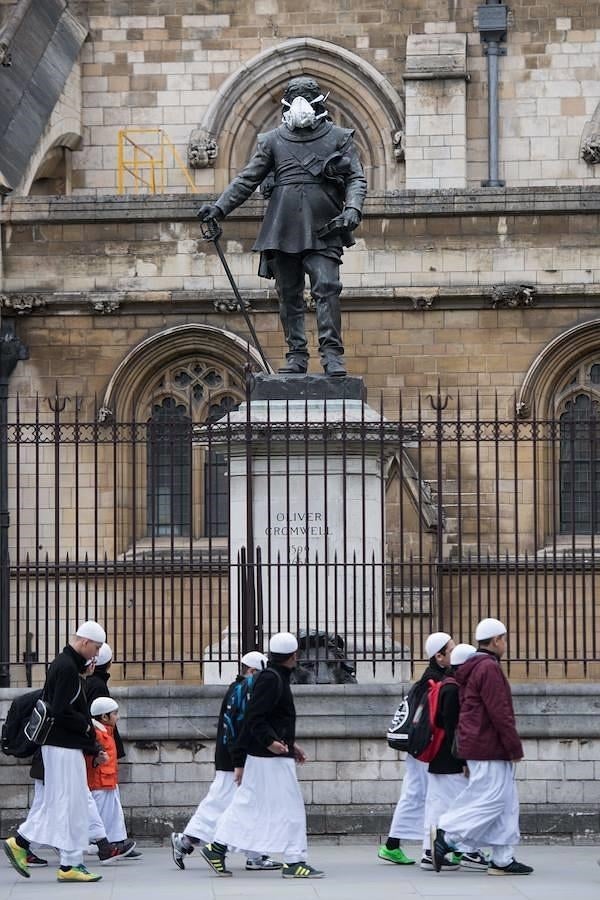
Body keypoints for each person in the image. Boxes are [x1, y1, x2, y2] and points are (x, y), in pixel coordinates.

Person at [198, 75, 367, 376]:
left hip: (324, 224)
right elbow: (247, 179)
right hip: (283, 225)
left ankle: (332, 354)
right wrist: (220, 207)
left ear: (318, 104)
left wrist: (353, 207)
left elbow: (356, 177)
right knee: (288, 292)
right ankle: (296, 355)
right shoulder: (271, 141)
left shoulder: (339, 137)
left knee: (327, 286)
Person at [198, 632, 324, 879]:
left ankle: (217, 847)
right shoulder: (272, 679)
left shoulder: (273, 677)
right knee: (291, 808)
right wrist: (271, 743)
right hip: (270, 758)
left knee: (249, 805)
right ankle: (294, 861)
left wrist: (289, 744)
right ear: (294, 656)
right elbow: (254, 718)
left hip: (267, 756)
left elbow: (264, 719)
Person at [3, 621, 107, 883]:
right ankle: (22, 842)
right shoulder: (66, 667)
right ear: (84, 642)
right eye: (95, 648)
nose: (96, 654)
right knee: (63, 802)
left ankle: (70, 863)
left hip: (62, 745)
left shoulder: (68, 666)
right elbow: (61, 711)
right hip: (62, 746)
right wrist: (86, 727)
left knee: (71, 804)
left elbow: (66, 704)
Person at [432, 618, 533, 876]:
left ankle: (502, 858)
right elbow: (500, 712)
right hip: (489, 746)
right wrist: (513, 747)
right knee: (491, 799)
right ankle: (448, 834)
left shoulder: (476, 666)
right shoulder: (488, 668)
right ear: (497, 640)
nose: (505, 644)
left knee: (506, 802)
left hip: (482, 744)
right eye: (504, 639)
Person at [170, 650, 281, 872]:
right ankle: (186, 840)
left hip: (233, 755)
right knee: (223, 802)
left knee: (243, 803)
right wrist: (239, 758)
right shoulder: (243, 691)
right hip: (235, 757)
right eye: (261, 674)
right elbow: (238, 726)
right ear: (251, 671)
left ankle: (254, 854)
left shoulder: (238, 689)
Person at [378, 631, 454, 866]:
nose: (455, 651)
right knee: (431, 797)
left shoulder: (427, 679)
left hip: (418, 748)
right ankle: (429, 850)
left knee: (413, 794)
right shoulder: (437, 681)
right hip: (427, 748)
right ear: (439, 656)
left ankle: (392, 845)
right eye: (451, 650)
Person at [421, 643, 488, 872]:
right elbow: (453, 729)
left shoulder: (447, 685)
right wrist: (463, 760)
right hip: (449, 760)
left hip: (440, 759)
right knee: (463, 805)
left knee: (438, 806)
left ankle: (429, 853)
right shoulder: (453, 690)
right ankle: (468, 850)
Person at [86, 697, 141, 861]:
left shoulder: (104, 733)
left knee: (112, 816)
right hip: (99, 783)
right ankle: (103, 845)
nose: (117, 717)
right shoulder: (97, 734)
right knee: (101, 817)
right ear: (104, 717)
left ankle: (115, 844)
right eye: (115, 714)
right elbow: (89, 758)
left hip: (107, 781)